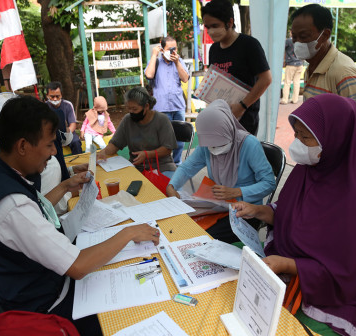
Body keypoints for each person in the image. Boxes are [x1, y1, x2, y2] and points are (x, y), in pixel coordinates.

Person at [0, 95, 160, 335]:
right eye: (49, 144)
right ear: (22, 146)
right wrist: (129, 232)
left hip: (38, 283)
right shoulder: (13, 206)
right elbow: (78, 266)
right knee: (132, 309)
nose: (53, 152)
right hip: (44, 304)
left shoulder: (0, 173)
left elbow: (36, 207)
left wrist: (64, 186)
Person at [234, 94, 356, 336]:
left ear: (333, 139)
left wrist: (288, 264)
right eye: (296, 135)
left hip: (332, 298)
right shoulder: (307, 171)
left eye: (306, 138)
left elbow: (347, 276)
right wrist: (259, 211)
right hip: (293, 273)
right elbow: (292, 216)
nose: (297, 144)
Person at [166, 99, 275, 243]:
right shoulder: (207, 144)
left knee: (203, 236)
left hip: (246, 211)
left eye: (220, 144)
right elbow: (187, 167)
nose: (215, 150)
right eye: (211, 146)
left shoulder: (249, 145)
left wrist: (237, 192)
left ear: (229, 129)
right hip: (216, 205)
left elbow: (269, 183)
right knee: (182, 224)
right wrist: (172, 186)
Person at [290, 4, 356, 169]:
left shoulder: (343, 72)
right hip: (321, 160)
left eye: (304, 36)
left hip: (338, 166)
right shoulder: (312, 66)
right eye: (294, 37)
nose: (297, 43)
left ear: (325, 35)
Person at [201, 0, 272, 134]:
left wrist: (242, 106)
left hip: (244, 121)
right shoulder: (214, 49)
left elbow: (266, 79)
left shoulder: (249, 45)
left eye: (215, 25)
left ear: (229, 22)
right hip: (220, 118)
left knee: (241, 154)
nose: (211, 31)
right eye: (207, 27)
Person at [97, 87, 177, 178]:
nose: (131, 112)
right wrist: (103, 153)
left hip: (162, 167)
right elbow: (115, 144)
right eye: (128, 108)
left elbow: (167, 148)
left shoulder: (162, 120)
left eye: (135, 109)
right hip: (137, 167)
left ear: (146, 106)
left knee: (169, 190)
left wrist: (147, 154)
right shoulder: (128, 120)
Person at [144, 36, 189, 166]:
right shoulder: (155, 62)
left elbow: (185, 78)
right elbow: (149, 75)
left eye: (175, 48)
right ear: (162, 49)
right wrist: (154, 55)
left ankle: (177, 163)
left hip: (178, 105)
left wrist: (177, 63)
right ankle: (164, 164)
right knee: (162, 138)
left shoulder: (179, 61)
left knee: (179, 138)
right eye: (170, 49)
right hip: (162, 107)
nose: (173, 51)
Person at [45, 81, 82, 155]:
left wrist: (65, 136)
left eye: (57, 96)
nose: (55, 99)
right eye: (52, 96)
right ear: (47, 96)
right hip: (51, 135)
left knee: (76, 142)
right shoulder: (44, 107)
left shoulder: (68, 105)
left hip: (68, 133)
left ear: (61, 95)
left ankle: (79, 164)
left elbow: (73, 124)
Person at [280, 33, 304, 105]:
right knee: (296, 82)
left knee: (287, 82)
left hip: (291, 64)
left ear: (291, 33)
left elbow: (281, 48)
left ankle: (285, 99)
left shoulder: (288, 41)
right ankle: (295, 99)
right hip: (300, 64)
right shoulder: (301, 41)